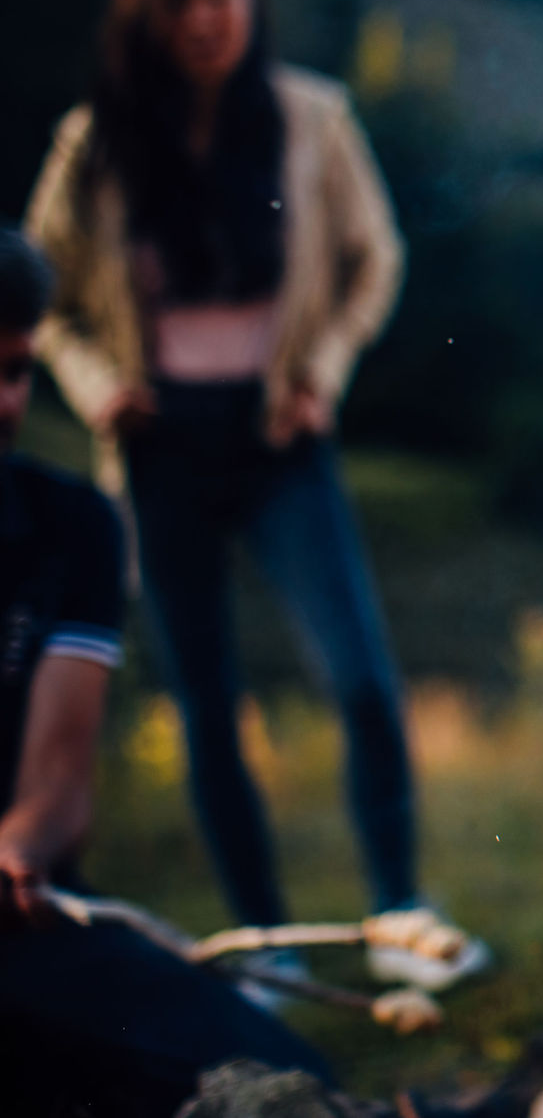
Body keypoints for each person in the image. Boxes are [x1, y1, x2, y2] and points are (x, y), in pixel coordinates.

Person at [22, 0, 479, 987]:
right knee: (207, 702)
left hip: (280, 434)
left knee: (361, 678)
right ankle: (269, 954)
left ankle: (402, 918)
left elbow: (376, 259)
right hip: (156, 442)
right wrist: (96, 388)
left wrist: (321, 371)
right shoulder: (94, 143)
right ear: (147, 14)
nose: (204, 17)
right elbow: (36, 295)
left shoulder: (312, 118)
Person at [0, 230, 330, 1115]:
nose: (2, 401)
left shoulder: (69, 524)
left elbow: (60, 781)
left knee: (286, 1091)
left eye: (15, 370)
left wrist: (22, 843)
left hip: (23, 925)